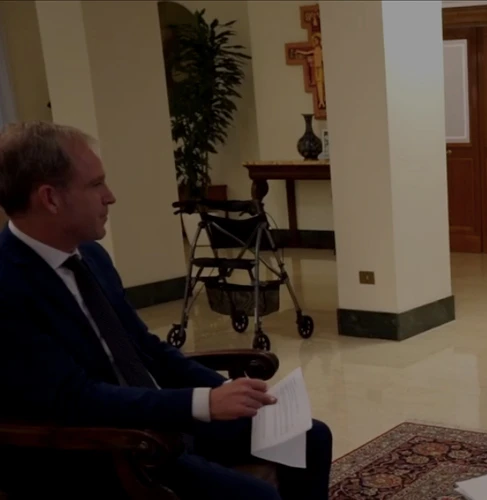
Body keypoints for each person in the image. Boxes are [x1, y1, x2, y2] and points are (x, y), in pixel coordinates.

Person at [0, 121, 332, 499]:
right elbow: (76, 399)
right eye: (96, 185)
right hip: (99, 450)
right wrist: (201, 404)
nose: (110, 197)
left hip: (157, 420)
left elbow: (146, 348)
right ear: (50, 198)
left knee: (310, 437)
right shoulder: (8, 285)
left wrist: (224, 389)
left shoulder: (90, 256)